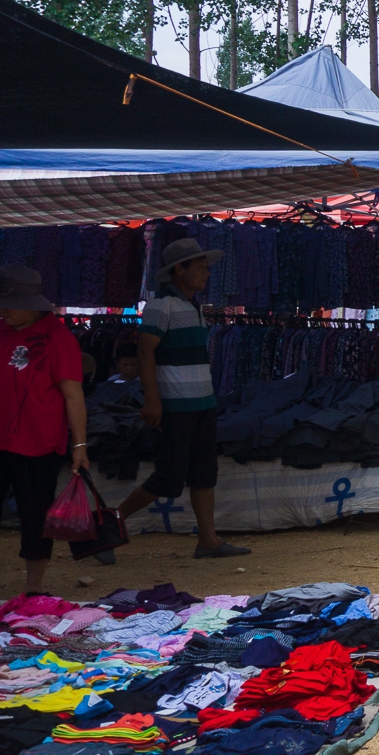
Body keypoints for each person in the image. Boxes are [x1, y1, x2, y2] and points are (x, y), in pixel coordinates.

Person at [114, 239, 247, 558]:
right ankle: (111, 521)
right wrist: (153, 400)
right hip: (176, 406)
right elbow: (145, 351)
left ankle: (208, 539)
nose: (206, 273)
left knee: (204, 472)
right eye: (199, 267)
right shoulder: (163, 305)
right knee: (169, 475)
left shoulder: (193, 306)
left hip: (203, 403)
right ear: (179, 270)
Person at [0, 267, 92, 591]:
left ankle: (33, 588)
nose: (4, 309)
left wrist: (79, 446)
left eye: (11, 303)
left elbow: (72, 394)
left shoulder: (58, 337)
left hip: (39, 444)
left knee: (35, 517)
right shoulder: (2, 331)